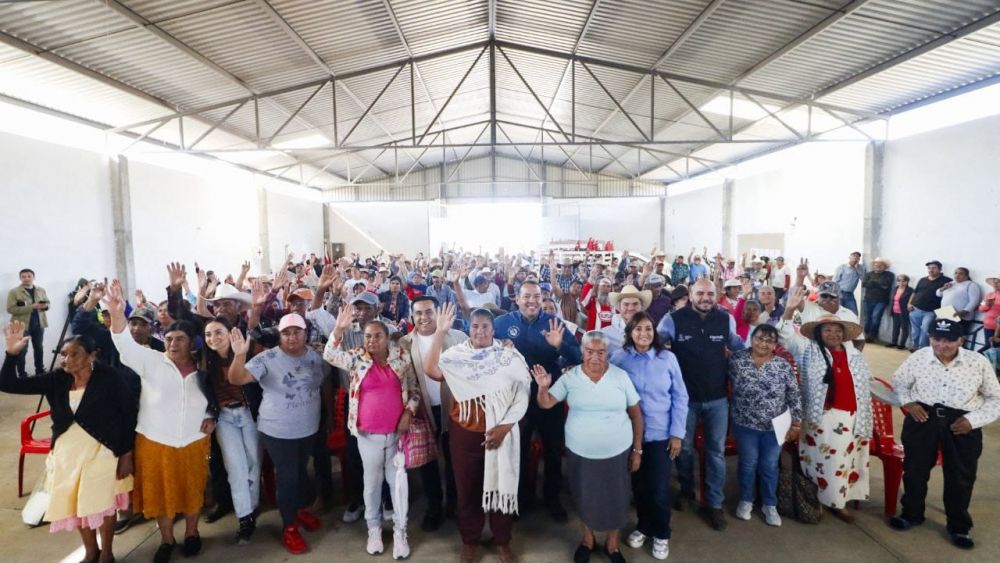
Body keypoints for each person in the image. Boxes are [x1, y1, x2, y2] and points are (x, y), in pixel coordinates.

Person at [2, 322, 136, 563]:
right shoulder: (57, 379)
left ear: (92, 355)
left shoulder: (111, 377)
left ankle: (107, 552)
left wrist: (126, 454)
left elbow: (128, 414)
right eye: (63, 354)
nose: (67, 359)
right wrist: (11, 355)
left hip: (102, 451)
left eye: (75, 354)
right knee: (77, 502)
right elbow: (8, 384)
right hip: (67, 453)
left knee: (102, 503)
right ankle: (91, 551)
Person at [106, 280, 215, 563]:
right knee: (161, 495)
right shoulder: (152, 362)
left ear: (192, 343)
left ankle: (192, 532)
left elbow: (212, 399)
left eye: (179, 339)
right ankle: (167, 539)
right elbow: (124, 346)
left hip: (193, 441)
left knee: (192, 490)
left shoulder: (203, 370)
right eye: (168, 339)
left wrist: (209, 415)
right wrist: (117, 315)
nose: (172, 344)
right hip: (154, 442)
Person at [423, 304, 530, 563]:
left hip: (500, 432)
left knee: (501, 484)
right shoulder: (456, 355)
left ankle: (502, 540)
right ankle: (470, 540)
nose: (480, 330)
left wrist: (505, 427)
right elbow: (431, 370)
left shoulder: (508, 356)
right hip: (464, 432)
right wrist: (439, 332)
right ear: (468, 329)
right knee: (467, 489)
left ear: (494, 329)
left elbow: (522, 392)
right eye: (475, 326)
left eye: (485, 326)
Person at [890, 318, 1000, 549]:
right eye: (936, 339)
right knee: (914, 470)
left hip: (962, 423)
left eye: (949, 340)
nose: (942, 345)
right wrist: (909, 403)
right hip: (923, 419)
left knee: (960, 477)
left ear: (961, 340)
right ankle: (911, 513)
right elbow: (899, 383)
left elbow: (995, 398)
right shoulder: (919, 357)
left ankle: (959, 527)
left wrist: (973, 420)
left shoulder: (977, 362)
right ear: (930, 338)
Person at [534, 331, 642, 563]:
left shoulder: (620, 376)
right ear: (582, 353)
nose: (595, 357)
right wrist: (543, 388)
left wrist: (637, 449)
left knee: (617, 497)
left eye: (601, 352)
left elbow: (636, 415)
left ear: (607, 354)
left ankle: (612, 544)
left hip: (618, 451)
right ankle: (588, 539)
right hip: (580, 451)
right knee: (584, 496)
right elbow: (546, 403)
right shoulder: (570, 377)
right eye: (590, 352)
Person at [228, 313, 326, 555]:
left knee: (301, 473)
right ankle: (289, 526)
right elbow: (237, 378)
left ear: (306, 333)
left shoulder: (316, 356)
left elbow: (325, 385)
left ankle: (299, 510)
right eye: (286, 332)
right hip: (278, 430)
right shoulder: (267, 359)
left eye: (297, 331)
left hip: (308, 428)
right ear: (279, 335)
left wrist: (328, 419)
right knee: (288, 478)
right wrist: (240, 354)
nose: (292, 337)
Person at [324, 309, 419, 560]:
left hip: (397, 434)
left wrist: (409, 412)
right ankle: (374, 529)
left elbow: (415, 390)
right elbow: (329, 354)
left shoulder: (401, 357)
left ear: (388, 338)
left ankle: (400, 532)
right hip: (367, 434)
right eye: (367, 336)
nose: (371, 341)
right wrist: (339, 330)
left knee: (398, 483)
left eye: (377, 336)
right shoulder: (357, 358)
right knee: (372, 483)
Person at [778, 288, 873, 523]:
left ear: (844, 334)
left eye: (837, 330)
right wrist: (789, 309)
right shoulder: (807, 349)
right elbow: (783, 335)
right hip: (823, 417)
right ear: (819, 333)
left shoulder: (854, 354)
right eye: (827, 329)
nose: (832, 333)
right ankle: (822, 500)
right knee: (824, 462)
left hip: (854, 415)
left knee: (847, 461)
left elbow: (865, 385)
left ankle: (839, 499)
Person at [656, 279, 744, 530]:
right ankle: (686, 490)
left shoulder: (725, 319)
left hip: (717, 399)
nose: (705, 298)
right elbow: (656, 347)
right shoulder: (673, 319)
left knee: (716, 452)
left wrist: (763, 353)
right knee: (682, 449)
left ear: (716, 295)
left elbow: (737, 347)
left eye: (709, 294)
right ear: (690, 295)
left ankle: (714, 504)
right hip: (685, 400)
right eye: (700, 293)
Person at [494, 281, 582, 522]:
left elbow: (578, 357)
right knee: (517, 451)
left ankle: (552, 499)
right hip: (515, 399)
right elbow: (481, 349)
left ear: (542, 299)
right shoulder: (502, 324)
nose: (532, 301)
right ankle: (521, 499)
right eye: (526, 297)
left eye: (536, 296)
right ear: (517, 299)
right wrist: (499, 350)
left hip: (549, 397)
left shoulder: (554, 323)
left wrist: (560, 345)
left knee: (553, 449)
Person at [610, 312, 687, 561]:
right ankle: (644, 526)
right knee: (639, 487)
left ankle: (662, 533)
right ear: (630, 333)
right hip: (630, 436)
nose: (644, 334)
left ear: (654, 333)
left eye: (648, 329)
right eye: (638, 329)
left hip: (661, 434)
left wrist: (677, 434)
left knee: (658, 489)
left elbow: (680, 397)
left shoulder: (667, 358)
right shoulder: (620, 358)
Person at [397, 296, 465, 531]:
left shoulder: (457, 338)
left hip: (453, 408)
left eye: (428, 312)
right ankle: (434, 506)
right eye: (418, 313)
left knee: (454, 458)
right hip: (422, 409)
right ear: (412, 316)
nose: (424, 318)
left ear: (437, 313)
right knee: (427, 462)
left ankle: (454, 504)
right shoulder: (404, 344)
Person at [728, 324, 801, 527]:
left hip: (775, 426)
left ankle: (770, 504)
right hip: (745, 423)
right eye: (759, 338)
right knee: (748, 463)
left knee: (769, 466)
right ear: (751, 339)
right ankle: (746, 500)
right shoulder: (737, 360)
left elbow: (793, 395)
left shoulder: (782, 365)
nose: (763, 343)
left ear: (775, 345)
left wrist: (796, 423)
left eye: (769, 340)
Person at [202, 317, 261, 544]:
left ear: (230, 333)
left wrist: (241, 354)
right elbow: (204, 394)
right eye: (208, 334)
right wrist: (210, 415)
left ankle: (253, 505)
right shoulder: (205, 362)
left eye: (218, 332)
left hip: (249, 414)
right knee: (235, 467)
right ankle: (244, 517)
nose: (213, 338)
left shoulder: (247, 352)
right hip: (225, 418)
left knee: (254, 462)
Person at [6, 268, 49, 377]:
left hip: (39, 324)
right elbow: (10, 309)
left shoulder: (41, 290)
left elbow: (48, 304)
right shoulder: (14, 292)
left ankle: (40, 371)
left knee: (39, 348)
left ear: (33, 277)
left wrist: (45, 306)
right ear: (20, 278)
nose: (26, 278)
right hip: (22, 326)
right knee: (22, 350)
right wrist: (32, 307)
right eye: (23, 276)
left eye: (29, 276)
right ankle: (22, 374)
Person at [908, 260, 952, 350]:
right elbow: (914, 292)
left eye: (934, 268)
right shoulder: (922, 279)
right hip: (915, 309)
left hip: (931, 311)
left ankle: (921, 349)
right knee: (914, 331)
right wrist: (909, 303)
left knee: (925, 329)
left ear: (940, 269)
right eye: (929, 268)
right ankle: (914, 346)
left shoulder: (946, 281)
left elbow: (950, 296)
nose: (931, 270)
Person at [602, 285, 652, 356]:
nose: (631, 308)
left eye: (635, 304)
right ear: (619, 308)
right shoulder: (605, 334)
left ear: (641, 307)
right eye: (626, 304)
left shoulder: (650, 333)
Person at [861, 257, 894, 343]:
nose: (878, 266)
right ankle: (868, 334)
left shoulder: (889, 275)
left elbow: (885, 286)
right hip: (867, 299)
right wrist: (878, 283)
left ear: (884, 266)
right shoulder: (868, 274)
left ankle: (872, 336)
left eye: (880, 265)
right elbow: (864, 284)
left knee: (876, 318)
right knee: (867, 319)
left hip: (881, 300)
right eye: (876, 264)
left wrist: (873, 283)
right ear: (873, 266)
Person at [889, 275, 915, 350]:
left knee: (904, 328)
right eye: (899, 281)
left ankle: (902, 344)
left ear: (907, 282)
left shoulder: (910, 290)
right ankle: (894, 342)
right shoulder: (895, 289)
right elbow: (893, 300)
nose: (901, 282)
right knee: (895, 328)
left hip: (904, 312)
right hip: (895, 311)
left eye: (904, 281)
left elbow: (912, 301)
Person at [979, 275, 1000, 351]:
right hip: (988, 325)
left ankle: (976, 357)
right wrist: (987, 305)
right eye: (995, 282)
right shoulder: (989, 295)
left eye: (998, 282)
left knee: (991, 348)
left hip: (998, 327)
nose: (996, 284)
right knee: (990, 347)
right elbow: (981, 308)